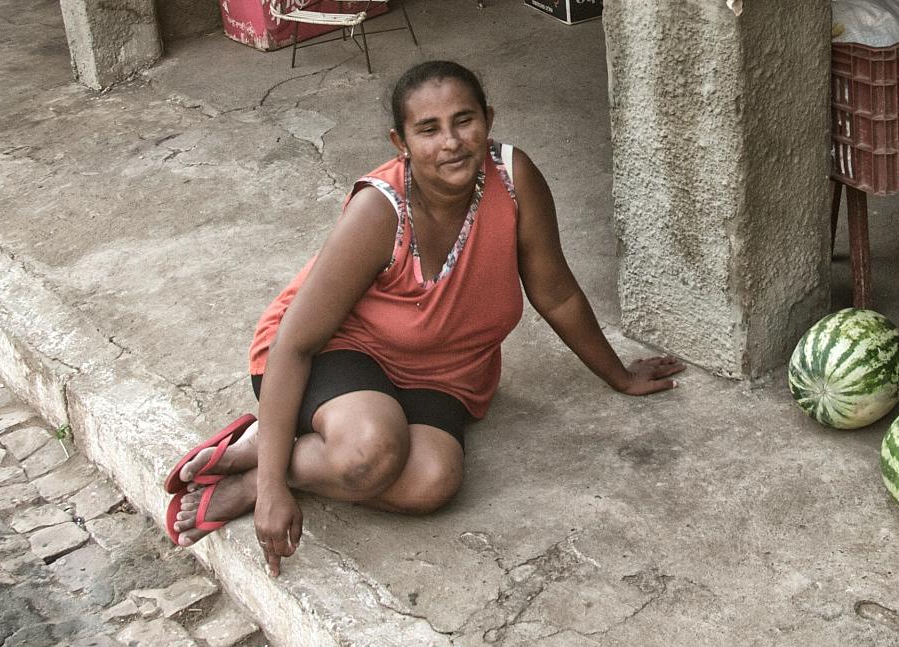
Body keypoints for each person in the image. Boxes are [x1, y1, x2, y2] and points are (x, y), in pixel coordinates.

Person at [162, 60, 684, 576]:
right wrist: (274, 497)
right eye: (428, 129)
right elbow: (295, 343)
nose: (451, 141)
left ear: (489, 119)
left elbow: (557, 294)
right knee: (370, 453)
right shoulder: (380, 210)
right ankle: (272, 464)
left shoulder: (514, 178)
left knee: (432, 483)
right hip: (337, 354)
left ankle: (268, 463)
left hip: (443, 372)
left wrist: (620, 376)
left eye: (464, 120)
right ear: (401, 143)